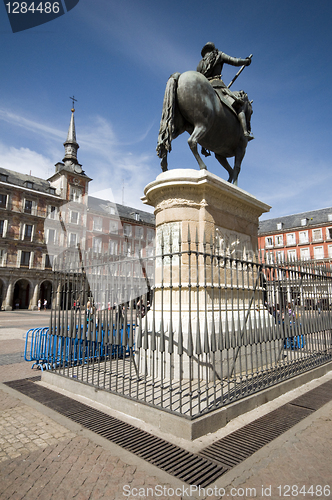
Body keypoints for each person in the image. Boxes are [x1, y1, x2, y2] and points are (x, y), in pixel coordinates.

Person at [197, 42, 254, 141]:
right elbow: (235, 61)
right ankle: (245, 132)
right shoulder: (218, 54)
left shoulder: (200, 63)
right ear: (213, 48)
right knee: (238, 104)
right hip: (217, 85)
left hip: (205, 88)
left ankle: (204, 145)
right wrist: (246, 61)